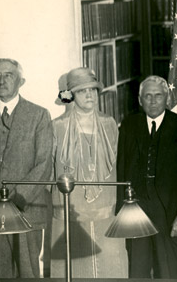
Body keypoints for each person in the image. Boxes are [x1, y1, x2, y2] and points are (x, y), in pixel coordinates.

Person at [0, 58, 53, 278]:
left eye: (9, 75)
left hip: (26, 210)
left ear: (21, 81)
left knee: (27, 274)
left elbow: (44, 165)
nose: (2, 80)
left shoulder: (39, 116)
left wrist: (17, 200)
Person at [116, 75, 177, 279]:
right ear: (140, 99)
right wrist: (121, 208)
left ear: (167, 98)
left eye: (158, 96)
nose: (153, 101)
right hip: (137, 209)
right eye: (148, 96)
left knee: (169, 269)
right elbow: (122, 167)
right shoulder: (129, 125)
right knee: (138, 268)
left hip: (170, 212)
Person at [50, 67, 128, 278]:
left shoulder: (109, 123)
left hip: (105, 209)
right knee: (74, 267)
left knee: (110, 265)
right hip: (71, 210)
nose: (89, 95)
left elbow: (118, 165)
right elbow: (50, 171)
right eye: (82, 91)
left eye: (93, 90)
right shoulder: (58, 126)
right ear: (71, 95)